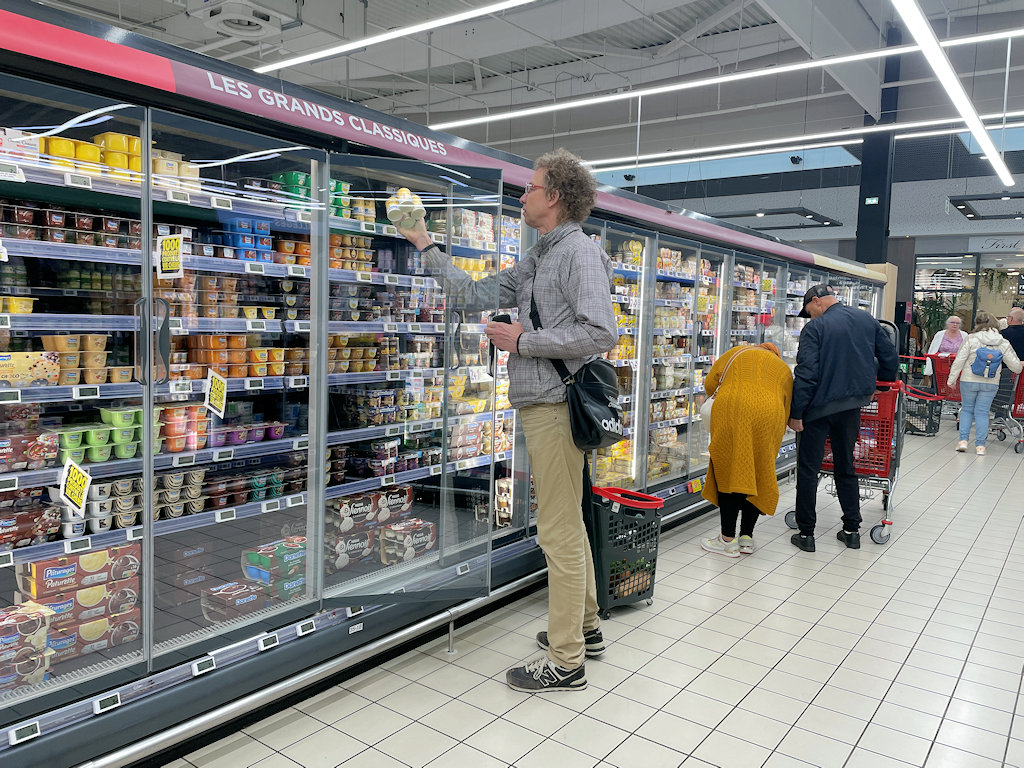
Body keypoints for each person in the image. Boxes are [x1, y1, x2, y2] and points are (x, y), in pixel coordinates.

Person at [397, 148, 617, 693]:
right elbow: (471, 295)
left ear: (556, 196)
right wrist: (423, 239)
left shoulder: (578, 254)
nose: (521, 196)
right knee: (570, 518)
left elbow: (601, 332)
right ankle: (585, 627)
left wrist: (524, 340)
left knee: (558, 529)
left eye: (530, 187)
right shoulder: (539, 256)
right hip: (546, 403)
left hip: (557, 405)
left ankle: (565, 661)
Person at [788, 285, 898, 553]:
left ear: (816, 301)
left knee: (808, 469)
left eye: (809, 311)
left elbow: (806, 373)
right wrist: (881, 387)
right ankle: (851, 530)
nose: (809, 316)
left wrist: (796, 413)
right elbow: (889, 356)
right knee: (846, 465)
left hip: (817, 409)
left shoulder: (816, 328)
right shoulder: (865, 319)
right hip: (851, 407)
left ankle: (806, 533)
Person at [700, 343, 793, 557]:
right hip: (770, 415)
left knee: (729, 469)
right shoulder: (783, 368)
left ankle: (726, 540)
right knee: (759, 471)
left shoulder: (738, 352)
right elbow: (787, 406)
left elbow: (710, 383)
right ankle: (746, 538)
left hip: (732, 408)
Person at [948, 310, 1022, 454]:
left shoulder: (971, 339)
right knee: (982, 412)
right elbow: (1016, 367)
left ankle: (963, 441)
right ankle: (980, 446)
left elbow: (959, 360)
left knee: (967, 410)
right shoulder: (1003, 342)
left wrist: (952, 380)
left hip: (969, 380)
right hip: (991, 382)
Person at [923, 316, 966, 381]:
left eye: (957, 323)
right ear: (947, 324)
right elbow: (932, 350)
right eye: (952, 322)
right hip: (941, 365)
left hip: (958, 366)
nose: (955, 324)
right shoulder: (939, 334)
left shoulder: (965, 335)